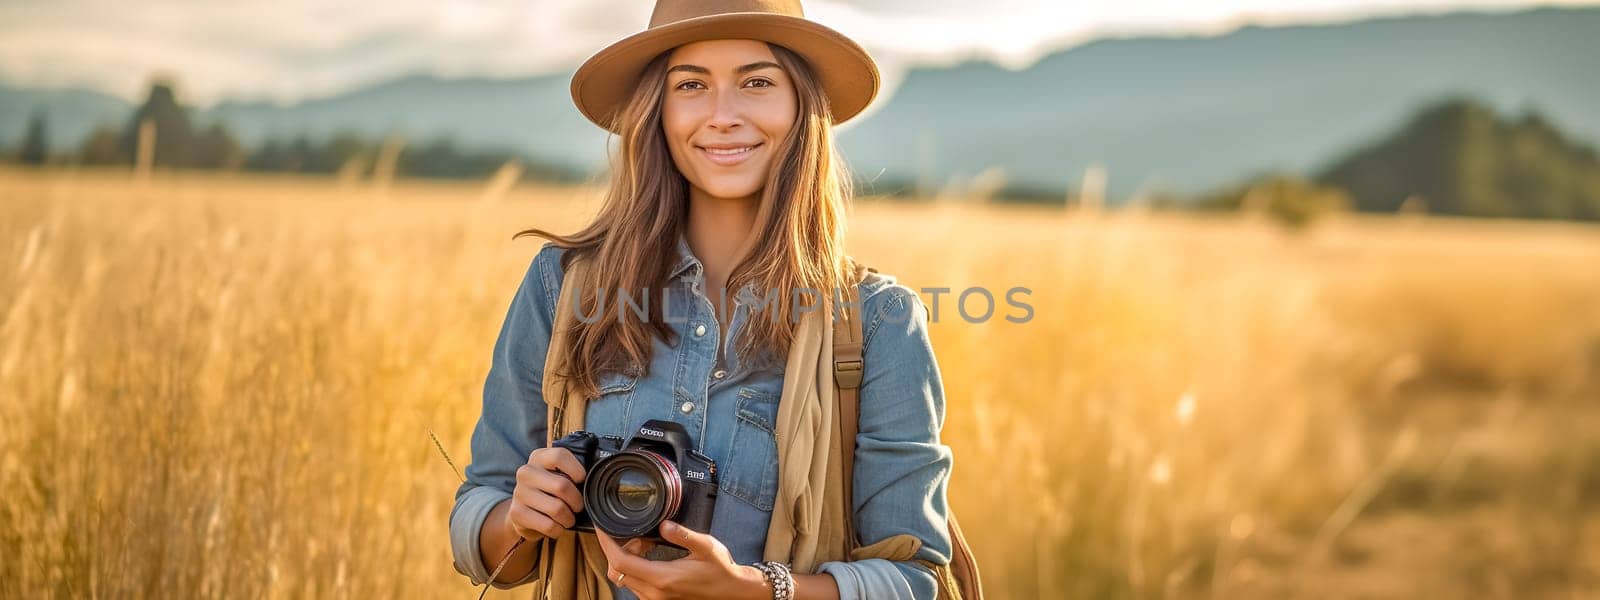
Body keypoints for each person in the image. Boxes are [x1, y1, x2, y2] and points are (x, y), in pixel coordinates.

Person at [448, 1, 954, 598]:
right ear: (656, 111)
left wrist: (755, 590)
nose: (722, 116)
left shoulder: (877, 321)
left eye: (757, 82)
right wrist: (522, 516)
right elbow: (483, 538)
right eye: (691, 85)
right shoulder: (565, 285)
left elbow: (917, 578)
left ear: (802, 106)